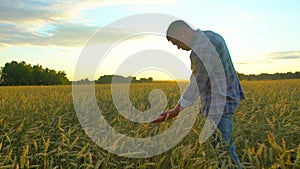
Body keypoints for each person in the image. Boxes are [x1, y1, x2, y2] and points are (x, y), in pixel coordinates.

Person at [152, 20, 245, 168]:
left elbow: (197, 83)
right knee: (222, 150)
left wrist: (175, 111)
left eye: (177, 43)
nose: (178, 48)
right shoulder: (212, 37)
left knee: (225, 152)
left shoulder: (203, 46)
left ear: (183, 31)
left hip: (219, 104)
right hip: (222, 101)